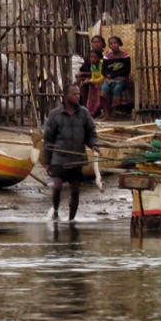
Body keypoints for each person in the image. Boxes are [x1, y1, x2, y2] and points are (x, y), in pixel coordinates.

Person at [41, 83, 100, 222]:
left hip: (77, 157)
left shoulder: (84, 113)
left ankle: (71, 221)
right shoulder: (55, 115)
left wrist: (94, 145)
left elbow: (91, 133)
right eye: (74, 94)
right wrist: (47, 162)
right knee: (57, 187)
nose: (77, 96)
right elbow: (48, 140)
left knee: (75, 190)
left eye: (78, 94)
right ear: (65, 96)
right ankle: (55, 211)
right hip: (59, 157)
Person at [100, 35, 131, 119]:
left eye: (115, 43)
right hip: (110, 79)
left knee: (117, 88)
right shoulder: (107, 57)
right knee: (104, 89)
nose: (113, 45)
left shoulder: (125, 56)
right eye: (111, 43)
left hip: (122, 79)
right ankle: (107, 113)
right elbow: (103, 71)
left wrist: (117, 77)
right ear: (109, 45)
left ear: (119, 44)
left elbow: (126, 70)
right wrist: (107, 76)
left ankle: (114, 111)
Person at [76, 48, 105, 116]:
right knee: (88, 86)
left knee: (97, 87)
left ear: (100, 58)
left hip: (103, 80)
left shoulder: (101, 64)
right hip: (97, 81)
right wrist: (91, 81)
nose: (92, 59)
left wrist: (92, 81)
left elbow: (103, 76)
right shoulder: (93, 66)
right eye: (91, 57)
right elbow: (93, 76)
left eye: (95, 57)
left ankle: (97, 108)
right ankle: (91, 109)